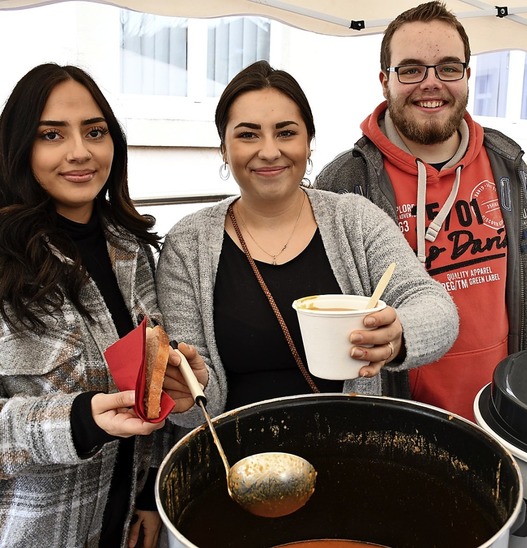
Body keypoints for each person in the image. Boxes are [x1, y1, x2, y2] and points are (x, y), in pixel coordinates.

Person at [156, 60, 458, 417]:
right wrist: (193, 391)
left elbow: (436, 308)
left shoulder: (354, 219)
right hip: (239, 459)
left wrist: (398, 335)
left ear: (309, 143)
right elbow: (190, 403)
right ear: (224, 148)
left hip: (350, 446)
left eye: (286, 133)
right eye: (248, 134)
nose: (269, 151)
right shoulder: (187, 245)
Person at [315, 1, 527, 421]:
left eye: (447, 67)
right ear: (384, 81)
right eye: (411, 69)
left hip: (502, 411)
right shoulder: (344, 182)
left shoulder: (509, 166)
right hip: (394, 416)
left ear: (466, 76)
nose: (431, 83)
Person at [0, 63, 207, 548]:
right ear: (17, 148)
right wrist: (78, 421)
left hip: (123, 524)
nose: (80, 152)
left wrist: (150, 496)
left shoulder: (130, 248)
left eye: (95, 131)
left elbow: (149, 387)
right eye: (51, 134)